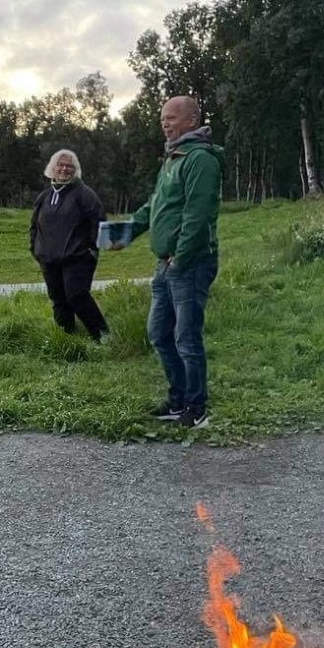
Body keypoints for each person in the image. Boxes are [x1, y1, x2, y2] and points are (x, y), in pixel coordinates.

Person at [121, 96, 224, 429]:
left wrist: (180, 258)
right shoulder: (173, 157)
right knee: (158, 333)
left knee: (186, 337)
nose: (164, 123)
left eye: (171, 118)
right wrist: (123, 233)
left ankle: (197, 408)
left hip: (189, 264)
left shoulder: (200, 159)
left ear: (191, 121)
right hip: (165, 264)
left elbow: (199, 214)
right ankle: (178, 399)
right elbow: (154, 206)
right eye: (163, 118)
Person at [29, 149, 110, 341]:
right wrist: (35, 249)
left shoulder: (84, 194)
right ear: (53, 167)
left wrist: (93, 250)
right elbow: (34, 225)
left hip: (78, 258)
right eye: (61, 165)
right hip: (48, 259)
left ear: (75, 170)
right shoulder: (45, 196)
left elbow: (99, 221)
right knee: (58, 300)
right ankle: (68, 340)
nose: (65, 169)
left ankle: (103, 337)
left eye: (69, 166)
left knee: (77, 297)